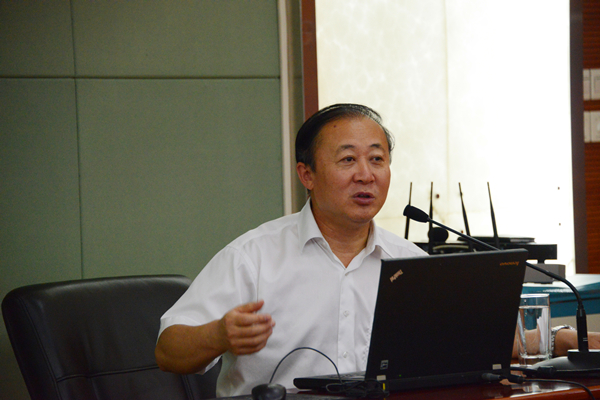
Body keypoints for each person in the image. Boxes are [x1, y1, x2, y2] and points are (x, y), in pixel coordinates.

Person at [156, 103, 598, 397]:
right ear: (307, 175)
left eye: (377, 159)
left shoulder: (410, 263)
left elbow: (477, 343)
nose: (366, 175)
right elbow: (168, 350)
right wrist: (219, 335)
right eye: (348, 159)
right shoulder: (253, 256)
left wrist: (569, 341)